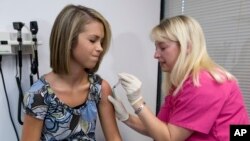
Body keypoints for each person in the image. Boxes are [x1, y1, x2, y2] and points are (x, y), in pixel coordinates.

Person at [108, 15, 249, 141]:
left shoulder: (204, 84)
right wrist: (126, 117)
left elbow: (168, 138)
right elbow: (160, 129)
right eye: (156, 48)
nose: (155, 55)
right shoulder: (182, 83)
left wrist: (138, 102)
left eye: (162, 48)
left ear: (187, 46)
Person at [21, 4, 122, 141]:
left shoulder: (100, 89)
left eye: (101, 42)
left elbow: (114, 138)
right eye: (93, 40)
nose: (100, 48)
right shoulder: (39, 95)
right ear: (69, 40)